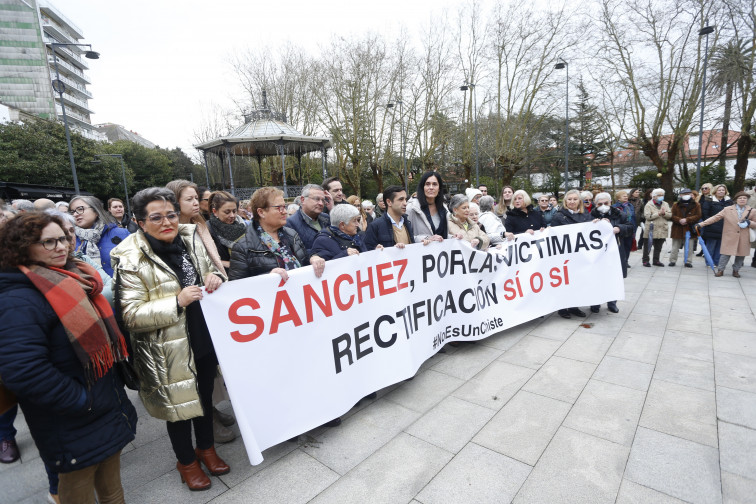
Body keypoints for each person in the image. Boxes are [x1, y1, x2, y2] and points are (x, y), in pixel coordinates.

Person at [0, 212, 136, 503]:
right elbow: (23, 370)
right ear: (22, 246)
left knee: (113, 493)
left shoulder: (77, 276)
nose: (60, 246)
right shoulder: (18, 298)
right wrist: (81, 401)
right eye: (48, 242)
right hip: (71, 418)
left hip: (104, 406)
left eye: (62, 238)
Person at [111, 187, 229, 491]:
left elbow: (214, 273)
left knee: (203, 399)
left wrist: (217, 277)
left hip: (201, 336)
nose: (167, 222)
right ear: (139, 221)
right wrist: (176, 302)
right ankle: (186, 461)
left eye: (171, 215)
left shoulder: (190, 236)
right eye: (156, 217)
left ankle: (207, 449)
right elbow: (131, 315)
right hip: (164, 348)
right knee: (177, 410)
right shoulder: (129, 256)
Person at [166, 179, 236, 443]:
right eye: (189, 199)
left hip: (208, 304)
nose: (196, 203)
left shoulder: (200, 226)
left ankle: (212, 413)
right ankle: (207, 420)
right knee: (197, 370)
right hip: (185, 312)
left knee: (211, 368)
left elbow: (210, 263)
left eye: (197, 198)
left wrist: (215, 275)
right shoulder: (171, 234)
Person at [550, 189, 593, 319]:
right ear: (565, 201)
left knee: (578, 281)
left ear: (579, 201)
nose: (572, 202)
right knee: (565, 282)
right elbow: (553, 236)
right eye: (569, 199)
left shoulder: (585, 214)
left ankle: (574, 306)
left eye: (575, 199)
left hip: (580, 255)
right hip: (565, 256)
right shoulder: (558, 216)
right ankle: (562, 308)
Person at [589, 192, 632, 313]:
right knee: (596, 277)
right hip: (596, 253)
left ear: (610, 203)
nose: (603, 205)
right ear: (596, 205)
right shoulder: (590, 215)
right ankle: (595, 302)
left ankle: (612, 302)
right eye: (600, 204)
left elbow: (630, 228)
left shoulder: (620, 214)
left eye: (606, 203)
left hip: (615, 251)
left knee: (613, 277)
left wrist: (619, 228)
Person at [697, 191, 756, 278]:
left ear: (747, 200)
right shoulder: (727, 209)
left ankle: (736, 270)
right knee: (725, 254)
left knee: (741, 255)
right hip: (730, 236)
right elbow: (715, 217)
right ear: (736, 200)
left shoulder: (752, 211)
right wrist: (701, 224)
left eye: (744, 198)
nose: (742, 200)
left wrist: (749, 222)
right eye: (740, 198)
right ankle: (721, 270)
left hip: (744, 236)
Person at [69, 195, 130, 277]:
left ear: (96, 211)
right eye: (72, 212)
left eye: (80, 209)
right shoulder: (70, 239)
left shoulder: (122, 233)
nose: (75, 214)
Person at [206, 191, 246, 273]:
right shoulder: (207, 230)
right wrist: (231, 264)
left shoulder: (244, 226)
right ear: (215, 212)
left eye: (234, 211)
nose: (232, 215)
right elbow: (206, 261)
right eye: (227, 212)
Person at [364, 186, 414, 250]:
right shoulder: (375, 226)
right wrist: (376, 250)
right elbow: (367, 252)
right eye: (401, 199)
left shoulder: (407, 222)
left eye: (405, 199)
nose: (405, 203)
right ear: (389, 202)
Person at [286, 184, 331, 253]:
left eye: (323, 200)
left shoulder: (326, 218)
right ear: (303, 200)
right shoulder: (290, 223)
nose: (321, 203)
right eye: (316, 199)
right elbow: (296, 253)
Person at [406, 171, 448, 243]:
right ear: (422, 187)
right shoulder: (411, 208)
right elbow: (406, 236)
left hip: (442, 253)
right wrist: (425, 239)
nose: (431, 187)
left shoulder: (444, 209)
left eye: (434, 184)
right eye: (427, 184)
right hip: (420, 252)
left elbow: (445, 235)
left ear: (439, 188)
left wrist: (453, 237)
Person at [700, 184, 732, 267]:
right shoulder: (709, 200)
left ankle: (716, 262)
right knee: (710, 246)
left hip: (724, 227)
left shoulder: (729, 201)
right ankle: (709, 262)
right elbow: (704, 213)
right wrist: (710, 222)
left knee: (720, 247)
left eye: (723, 190)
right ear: (715, 191)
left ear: (725, 191)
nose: (721, 191)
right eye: (719, 190)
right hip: (711, 227)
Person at [668, 188, 701, 267]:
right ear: (681, 195)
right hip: (677, 228)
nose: (686, 196)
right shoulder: (676, 205)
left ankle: (688, 261)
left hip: (689, 228)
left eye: (688, 194)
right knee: (675, 246)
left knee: (689, 247)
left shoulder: (696, 205)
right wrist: (679, 220)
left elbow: (698, 215)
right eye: (684, 194)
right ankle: (672, 260)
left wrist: (687, 219)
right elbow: (671, 216)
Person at [642, 188, 672, 267]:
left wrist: (664, 213)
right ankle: (645, 260)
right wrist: (658, 213)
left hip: (662, 228)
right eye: (659, 195)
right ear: (654, 196)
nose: (661, 196)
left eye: (662, 195)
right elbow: (648, 217)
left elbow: (669, 215)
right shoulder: (648, 204)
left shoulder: (665, 204)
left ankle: (656, 260)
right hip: (651, 229)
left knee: (658, 246)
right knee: (647, 246)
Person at [613, 190, 635, 268]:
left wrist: (634, 229)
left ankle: (626, 261)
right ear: (618, 198)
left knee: (628, 246)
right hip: (621, 229)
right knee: (621, 246)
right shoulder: (615, 207)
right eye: (623, 196)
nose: (626, 197)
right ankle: (620, 261)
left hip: (629, 228)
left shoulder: (630, 205)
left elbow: (633, 217)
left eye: (626, 195)